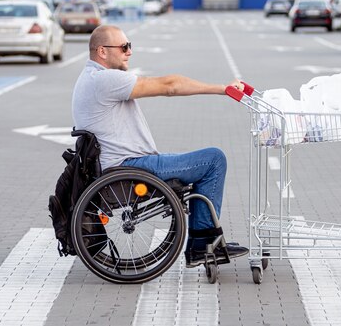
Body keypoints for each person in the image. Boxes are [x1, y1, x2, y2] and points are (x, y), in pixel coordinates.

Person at [72, 25, 249, 268]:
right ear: (102, 51)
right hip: (130, 169)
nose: (129, 52)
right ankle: (202, 244)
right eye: (124, 47)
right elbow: (170, 86)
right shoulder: (105, 79)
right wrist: (222, 89)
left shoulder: (89, 78)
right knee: (213, 160)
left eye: (130, 46)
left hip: (123, 167)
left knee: (200, 164)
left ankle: (202, 240)